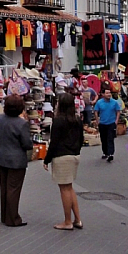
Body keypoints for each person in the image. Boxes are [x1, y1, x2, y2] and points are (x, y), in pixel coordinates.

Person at [43, 92, 84, 230]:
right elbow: (81, 139)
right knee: (70, 187)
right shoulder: (77, 120)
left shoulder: (58, 120)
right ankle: (77, 219)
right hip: (74, 156)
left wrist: (47, 159)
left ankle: (67, 222)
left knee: (64, 189)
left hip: (62, 156)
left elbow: (54, 142)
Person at [0, 94, 33, 227]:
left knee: (4, 187)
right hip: (16, 160)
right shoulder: (22, 124)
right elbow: (27, 144)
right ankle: (13, 219)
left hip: (0, 156)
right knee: (13, 189)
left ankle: (4, 216)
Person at [94, 87, 122, 162]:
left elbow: (118, 111)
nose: (109, 94)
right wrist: (97, 121)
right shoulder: (99, 102)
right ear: (103, 94)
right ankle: (105, 152)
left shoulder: (114, 102)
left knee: (110, 138)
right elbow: (96, 111)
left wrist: (116, 121)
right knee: (103, 139)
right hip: (102, 123)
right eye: (107, 93)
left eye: (109, 93)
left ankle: (111, 154)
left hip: (111, 123)